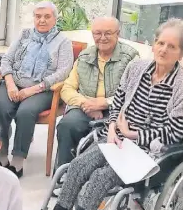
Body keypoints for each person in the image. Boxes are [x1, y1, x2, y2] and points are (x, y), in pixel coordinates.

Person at [25, 19, 183, 210]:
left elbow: (174, 132)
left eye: (171, 46)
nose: (163, 49)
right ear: (153, 45)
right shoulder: (137, 68)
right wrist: (111, 128)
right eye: (160, 43)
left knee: (102, 176)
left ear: (181, 53)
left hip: (156, 151)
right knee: (78, 165)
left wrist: (134, 135)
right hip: (119, 139)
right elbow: (118, 101)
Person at [0, 1, 73, 177]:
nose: (42, 20)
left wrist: (32, 89)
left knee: (25, 112)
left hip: (43, 89)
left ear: (55, 18)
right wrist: (11, 83)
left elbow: (63, 72)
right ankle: (1, 155)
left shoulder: (63, 41)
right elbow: (6, 60)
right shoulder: (24, 35)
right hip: (14, 83)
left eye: (47, 16)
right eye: (38, 16)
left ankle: (17, 161)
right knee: (0, 106)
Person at [55, 16, 139, 169]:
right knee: (66, 125)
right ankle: (63, 177)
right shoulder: (85, 56)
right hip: (85, 107)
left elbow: (134, 91)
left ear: (117, 34)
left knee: (111, 134)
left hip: (117, 109)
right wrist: (86, 104)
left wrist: (105, 103)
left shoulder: (131, 57)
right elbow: (67, 88)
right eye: (97, 33)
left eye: (108, 33)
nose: (102, 38)